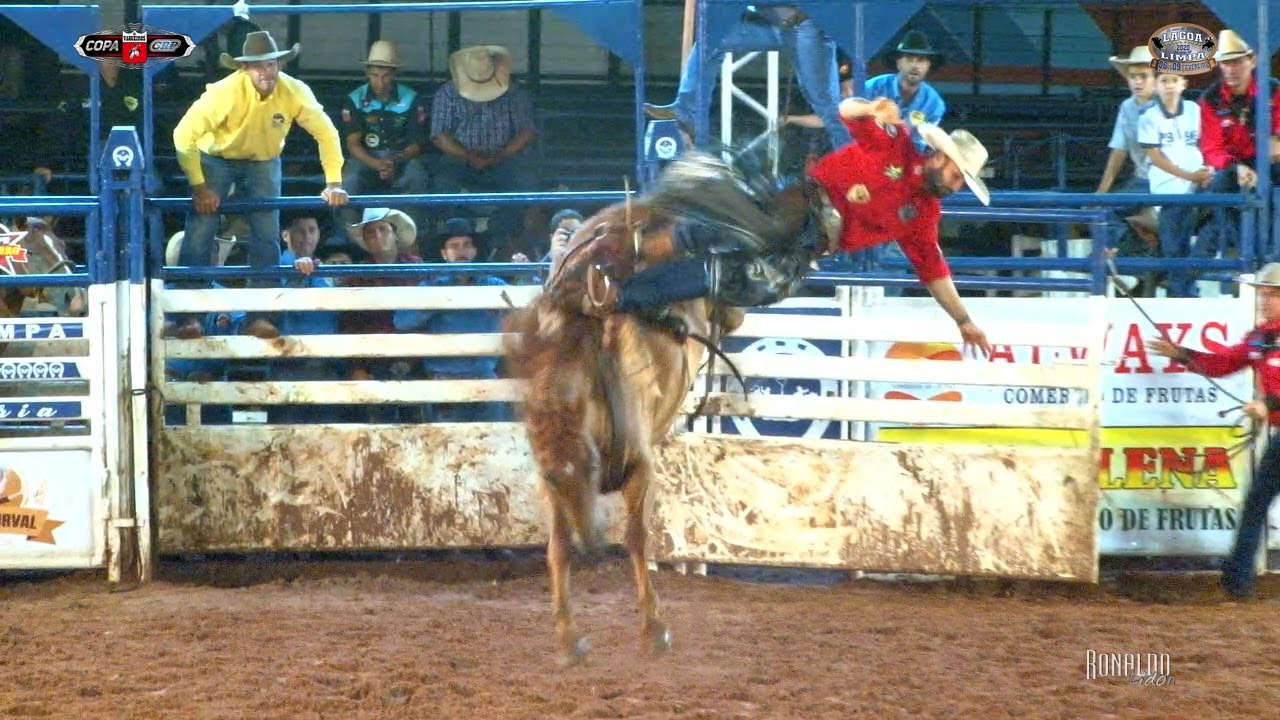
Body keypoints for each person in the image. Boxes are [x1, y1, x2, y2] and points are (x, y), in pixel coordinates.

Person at [592, 98, 994, 358]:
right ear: (941, 158)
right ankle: (653, 252)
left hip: (813, 241)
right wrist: (869, 106)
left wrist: (963, 319)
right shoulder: (897, 145)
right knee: (754, 232)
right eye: (959, 178)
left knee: (757, 283)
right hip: (802, 203)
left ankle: (626, 292)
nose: (955, 188)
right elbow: (846, 110)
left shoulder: (923, 216)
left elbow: (934, 271)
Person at [171, 30, 348, 336]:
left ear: (279, 64)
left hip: (263, 159)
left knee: (266, 233)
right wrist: (200, 186)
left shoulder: (294, 90)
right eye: (259, 65)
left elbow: (327, 133)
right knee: (201, 228)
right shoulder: (223, 93)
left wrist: (334, 181)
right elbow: (183, 136)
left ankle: (259, 316)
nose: (267, 71)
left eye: (271, 64)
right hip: (218, 156)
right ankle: (189, 316)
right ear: (244, 68)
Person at [1145, 262, 1280, 598]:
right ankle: (1237, 583)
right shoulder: (1261, 338)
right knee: (1256, 502)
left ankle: (1237, 581)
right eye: (1263, 295)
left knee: (1257, 502)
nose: (1264, 301)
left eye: (1272, 295)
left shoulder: (1263, 339)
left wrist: (1268, 406)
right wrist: (1183, 354)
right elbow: (1223, 363)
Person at [645, 4, 848, 151]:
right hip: (774, 25)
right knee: (712, 39)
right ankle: (686, 111)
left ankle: (855, 156)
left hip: (805, 27)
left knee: (824, 102)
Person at [393, 218, 509, 422]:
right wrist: (437, 300)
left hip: (485, 380)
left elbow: (521, 311)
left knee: (492, 444)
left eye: (467, 245)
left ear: (474, 251)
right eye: (453, 246)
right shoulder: (431, 287)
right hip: (442, 382)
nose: (461, 251)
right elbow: (401, 321)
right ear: (444, 253)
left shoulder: (493, 285)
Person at [430, 45, 538, 242]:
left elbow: (526, 132)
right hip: (459, 158)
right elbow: (439, 136)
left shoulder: (514, 93)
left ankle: (506, 238)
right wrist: (467, 156)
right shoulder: (447, 92)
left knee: (523, 181)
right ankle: (451, 236)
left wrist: (501, 155)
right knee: (443, 181)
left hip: (504, 157)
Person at [1196, 29, 1280, 257]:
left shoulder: (1273, 90)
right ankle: (1243, 250)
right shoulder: (1210, 99)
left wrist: (1275, 142)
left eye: (1236, 62)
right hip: (1235, 165)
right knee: (1219, 186)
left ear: (1250, 60)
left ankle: (1272, 253)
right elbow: (1212, 148)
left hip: (1271, 160)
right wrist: (1237, 167)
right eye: (1225, 63)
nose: (1230, 69)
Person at [339, 41, 433, 238]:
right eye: (374, 75)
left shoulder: (411, 98)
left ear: (394, 74)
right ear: (367, 73)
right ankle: (350, 239)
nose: (380, 82)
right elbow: (352, 143)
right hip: (366, 158)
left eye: (385, 76)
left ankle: (411, 237)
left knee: (417, 176)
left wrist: (393, 161)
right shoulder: (354, 98)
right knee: (348, 182)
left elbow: (417, 143)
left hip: (402, 157)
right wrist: (376, 163)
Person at [1137, 71, 1212, 297]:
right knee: (1174, 247)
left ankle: (1184, 287)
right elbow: (1157, 158)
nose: (1169, 85)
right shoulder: (1148, 117)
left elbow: (1206, 141)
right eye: (1164, 81)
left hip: (1199, 184)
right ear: (1157, 85)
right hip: (1168, 189)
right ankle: (1182, 295)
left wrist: (1208, 169)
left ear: (1184, 84)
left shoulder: (1194, 110)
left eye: (1174, 80)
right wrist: (1189, 176)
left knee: (1217, 223)